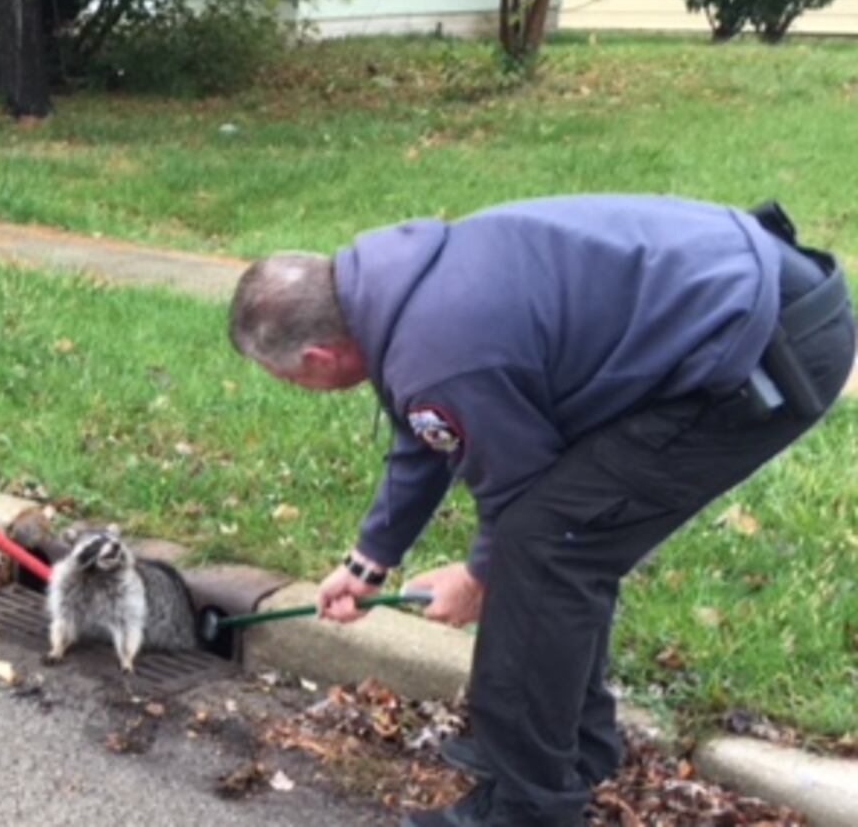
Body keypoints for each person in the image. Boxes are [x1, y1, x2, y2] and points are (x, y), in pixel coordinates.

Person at [227, 195, 852, 826]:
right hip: (750, 303)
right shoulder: (396, 292)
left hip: (763, 350)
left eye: (288, 381)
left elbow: (521, 493)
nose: (298, 389)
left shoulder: (442, 349)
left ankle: (529, 806)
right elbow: (425, 435)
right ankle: (575, 746)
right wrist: (367, 563)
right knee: (558, 541)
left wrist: (477, 578)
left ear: (317, 358)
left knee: (543, 548)